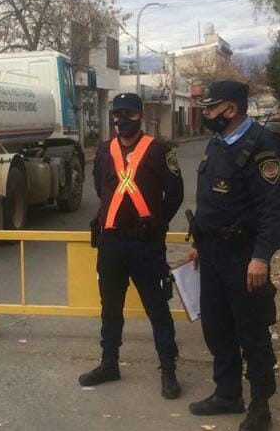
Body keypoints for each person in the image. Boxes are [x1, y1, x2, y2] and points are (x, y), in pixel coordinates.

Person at [186, 81, 280, 431]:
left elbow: (274, 210)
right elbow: (210, 203)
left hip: (244, 259)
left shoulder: (262, 146)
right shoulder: (217, 144)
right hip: (213, 255)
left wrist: (262, 256)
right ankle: (228, 393)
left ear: (230, 110)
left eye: (211, 108)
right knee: (217, 329)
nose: (206, 114)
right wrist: (199, 242)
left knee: (252, 333)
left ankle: (261, 405)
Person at [79, 92, 184, 399]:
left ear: (141, 115)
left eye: (129, 114)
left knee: (157, 309)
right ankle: (109, 363)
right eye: (117, 113)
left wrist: (157, 224)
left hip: (145, 245)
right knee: (110, 308)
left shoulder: (159, 150)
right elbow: (101, 188)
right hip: (111, 243)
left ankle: (168, 370)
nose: (122, 119)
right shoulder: (103, 151)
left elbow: (175, 193)